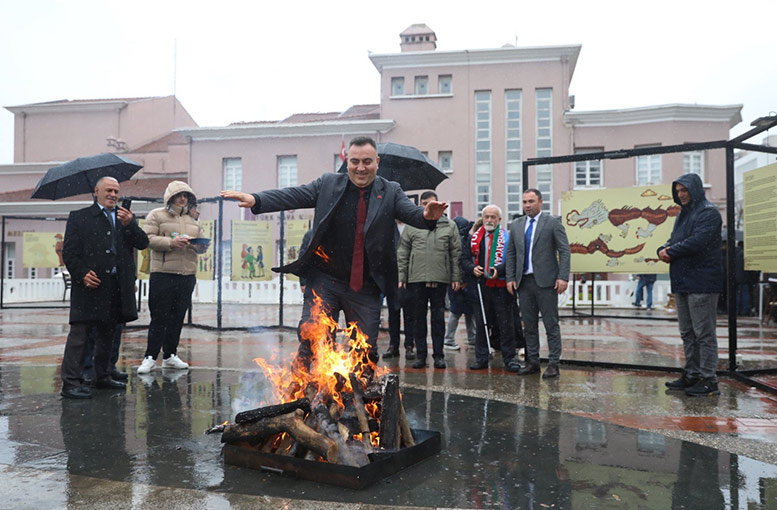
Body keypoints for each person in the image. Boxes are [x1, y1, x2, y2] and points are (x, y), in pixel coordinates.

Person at [220, 136, 447, 365]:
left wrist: (427, 215)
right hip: (325, 281)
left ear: (376, 162)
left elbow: (412, 213)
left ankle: (360, 396)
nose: (360, 168)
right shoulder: (328, 184)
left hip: (365, 287)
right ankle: (307, 392)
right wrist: (257, 199)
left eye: (367, 161)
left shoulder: (390, 191)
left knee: (365, 353)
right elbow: (293, 195)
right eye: (355, 161)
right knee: (314, 341)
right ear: (347, 161)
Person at [60, 176, 149, 399]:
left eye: (116, 191)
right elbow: (70, 252)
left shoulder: (124, 218)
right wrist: (81, 274)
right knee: (80, 335)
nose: (113, 195)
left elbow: (143, 243)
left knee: (108, 335)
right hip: (90, 286)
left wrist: (131, 225)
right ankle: (71, 382)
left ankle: (102, 376)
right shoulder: (80, 217)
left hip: (116, 287)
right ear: (97, 191)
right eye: (109, 190)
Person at [659, 173, 723, 397]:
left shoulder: (709, 212)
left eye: (684, 190)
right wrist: (664, 247)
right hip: (683, 281)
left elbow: (697, 242)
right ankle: (692, 374)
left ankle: (709, 380)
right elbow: (675, 239)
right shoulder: (683, 214)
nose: (681, 195)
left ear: (695, 189)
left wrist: (671, 251)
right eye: (678, 191)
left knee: (704, 333)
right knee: (687, 332)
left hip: (702, 282)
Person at [137, 181, 205, 374]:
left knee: (177, 317)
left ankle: (169, 355)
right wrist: (171, 242)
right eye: (178, 195)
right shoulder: (156, 215)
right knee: (159, 317)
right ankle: (150, 357)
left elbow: (200, 244)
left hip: (187, 275)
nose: (182, 199)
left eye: (185, 195)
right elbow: (146, 239)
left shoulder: (194, 220)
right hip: (163, 274)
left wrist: (200, 246)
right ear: (170, 197)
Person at [505, 189, 570, 380]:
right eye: (524, 202)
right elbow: (511, 253)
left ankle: (553, 364)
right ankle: (532, 361)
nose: (527, 205)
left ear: (540, 202)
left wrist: (563, 277)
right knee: (529, 325)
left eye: (531, 201)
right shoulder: (516, 225)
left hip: (547, 282)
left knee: (551, 324)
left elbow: (564, 251)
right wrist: (510, 278)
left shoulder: (552, 223)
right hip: (524, 282)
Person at [397, 190, 462, 369]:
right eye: (424, 203)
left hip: (440, 278)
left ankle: (439, 355)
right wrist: (402, 276)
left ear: (439, 204)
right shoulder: (412, 226)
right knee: (418, 318)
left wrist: (456, 277)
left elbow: (455, 253)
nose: (428, 206)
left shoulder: (449, 226)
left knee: (438, 318)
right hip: (416, 278)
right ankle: (421, 355)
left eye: (431, 203)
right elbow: (403, 251)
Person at [462, 205, 522, 372]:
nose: (489, 220)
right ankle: (481, 358)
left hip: (501, 287)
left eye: (493, 217)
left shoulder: (507, 237)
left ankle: (509, 358)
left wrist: (500, 270)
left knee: (506, 324)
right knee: (481, 324)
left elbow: (512, 259)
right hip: (480, 287)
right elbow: (464, 259)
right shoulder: (473, 238)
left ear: (499, 220)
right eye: (487, 217)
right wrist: (471, 268)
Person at [444, 216, 477, 351]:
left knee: (459, 312)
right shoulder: (467, 240)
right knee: (461, 312)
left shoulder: (451, 240)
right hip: (461, 282)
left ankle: (452, 339)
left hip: (456, 282)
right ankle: (453, 339)